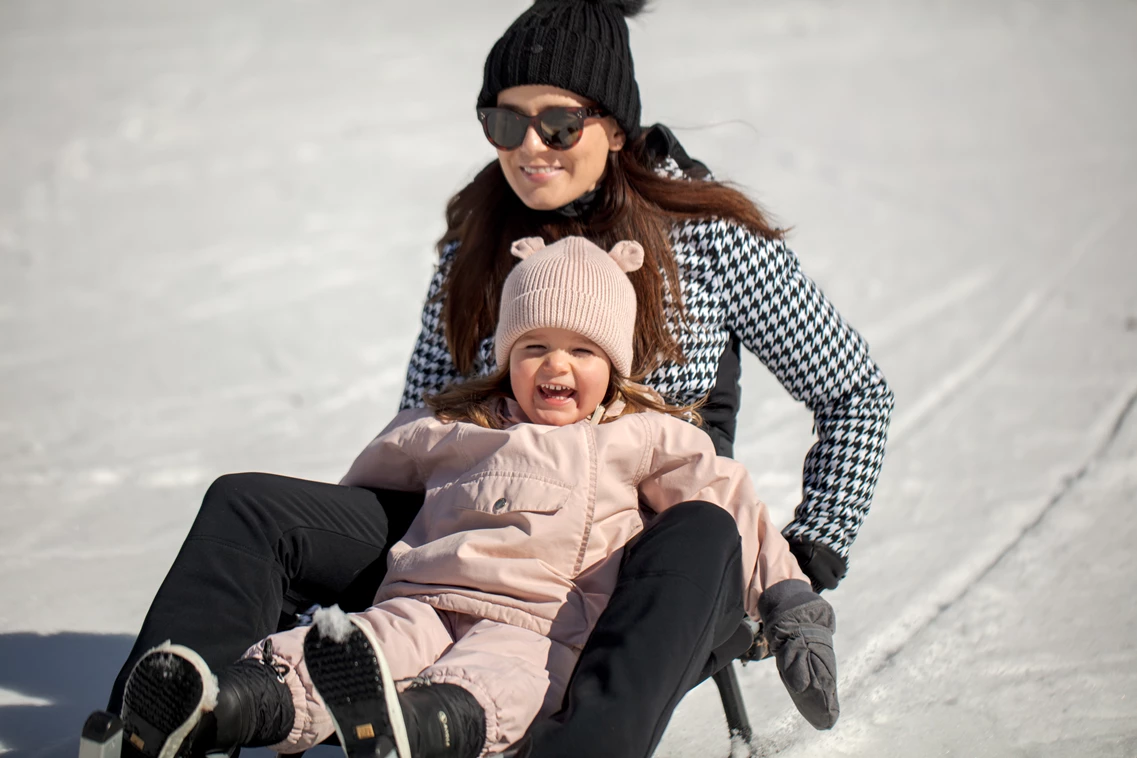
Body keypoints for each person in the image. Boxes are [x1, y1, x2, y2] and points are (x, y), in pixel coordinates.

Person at [106, 1, 893, 755]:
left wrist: (808, 551)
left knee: (704, 528)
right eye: (502, 120)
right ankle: (162, 721)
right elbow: (425, 408)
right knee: (250, 507)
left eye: (556, 121)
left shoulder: (708, 240)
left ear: (614, 127)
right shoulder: (476, 242)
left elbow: (854, 391)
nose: (528, 144)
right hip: (481, 517)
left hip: (642, 551)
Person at [116, 236, 839, 758]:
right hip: (420, 600)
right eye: (534, 348)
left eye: (582, 351)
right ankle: (221, 705)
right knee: (339, 654)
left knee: (493, 685)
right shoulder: (450, 425)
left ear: (612, 365)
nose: (556, 365)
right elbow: (362, 495)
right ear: (507, 357)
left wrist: (790, 600)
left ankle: (416, 728)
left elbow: (726, 498)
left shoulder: (639, 434)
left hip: (537, 620)